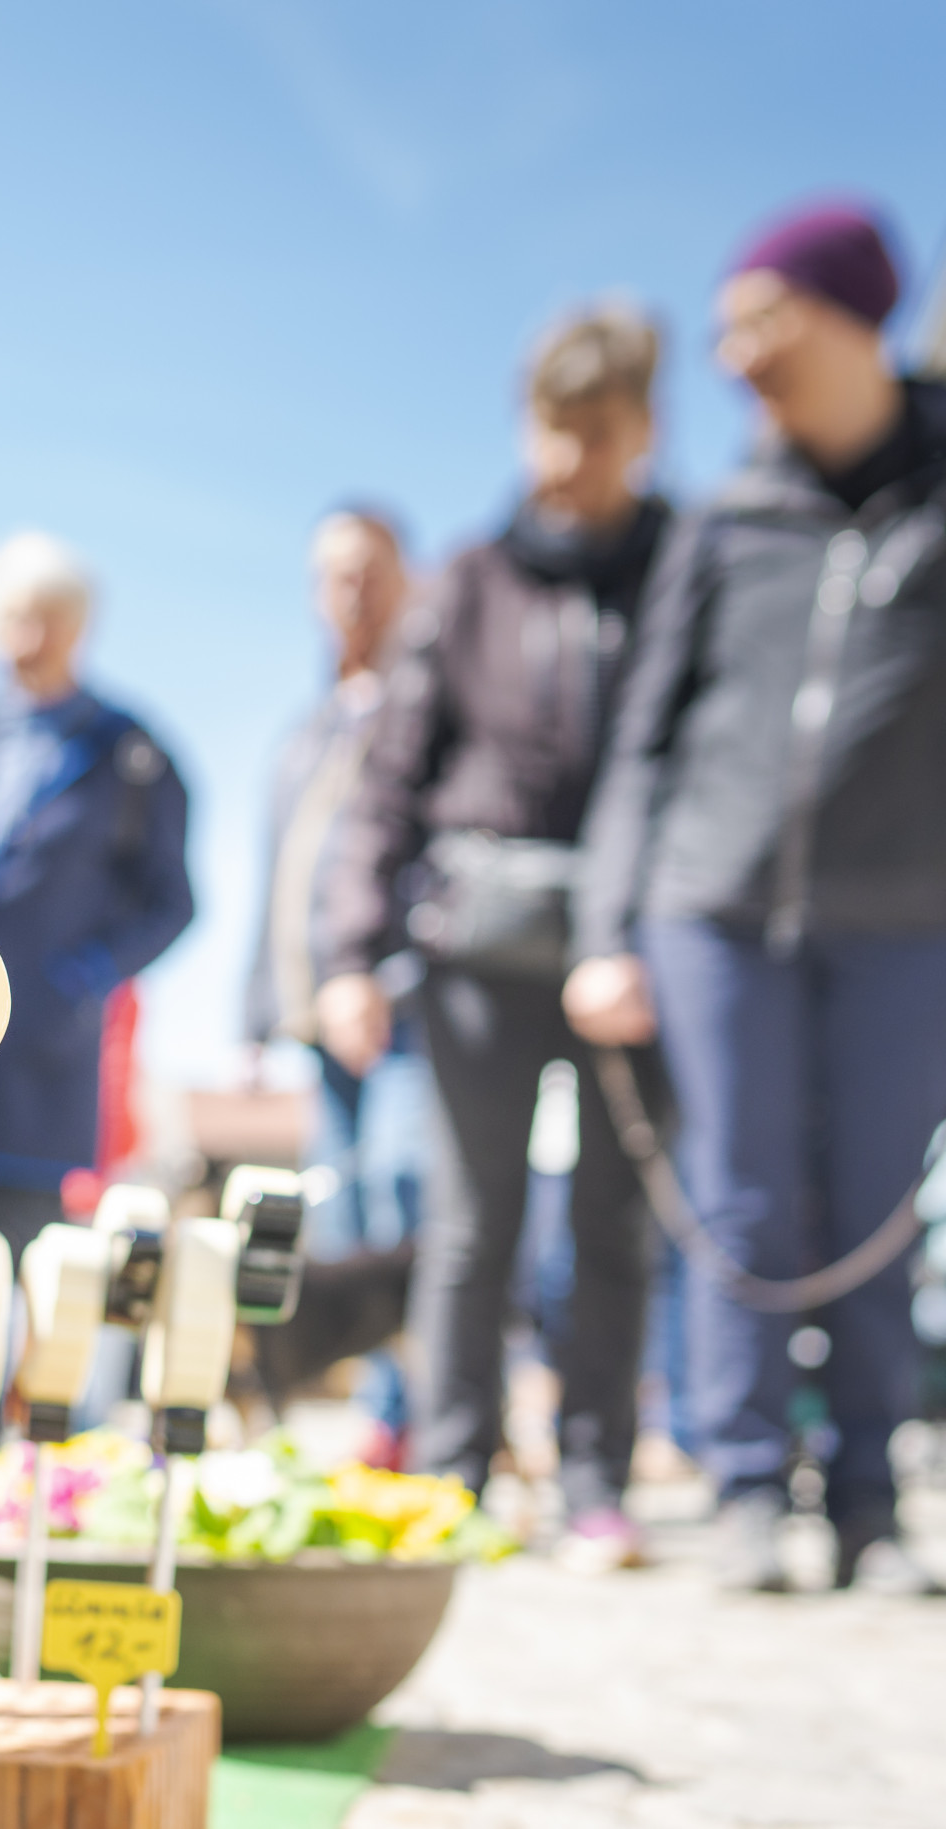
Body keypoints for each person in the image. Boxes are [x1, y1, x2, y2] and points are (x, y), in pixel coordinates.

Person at [569, 204, 946, 1596]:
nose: (728, 356)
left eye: (752, 318)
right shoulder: (729, 515)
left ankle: (866, 1500)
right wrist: (608, 929)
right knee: (743, 1191)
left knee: (871, 1207)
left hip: (908, 916)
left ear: (845, 310)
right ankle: (742, 1483)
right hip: (713, 906)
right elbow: (646, 742)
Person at [317, 304, 673, 1571]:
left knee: (614, 1223)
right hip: (476, 950)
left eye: (595, 432)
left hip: (634, 948)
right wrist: (349, 952)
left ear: (644, 428)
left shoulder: (677, 568)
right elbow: (390, 779)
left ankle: (594, 1477)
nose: (566, 460)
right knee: (472, 1222)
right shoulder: (468, 579)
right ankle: (457, 1473)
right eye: (548, 429)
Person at [0, 531, 194, 1257]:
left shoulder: (127, 753)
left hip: (45, 1079)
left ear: (79, 625)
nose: (27, 635)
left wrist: (82, 980)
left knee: (23, 1293)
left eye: (46, 614)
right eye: (14, 615)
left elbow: (173, 901)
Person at [245, 507, 427, 1453]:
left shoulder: (428, 699)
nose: (351, 591)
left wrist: (385, 972)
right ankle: (385, 1418)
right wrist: (257, 1015)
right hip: (314, 1010)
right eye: (333, 575)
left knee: (411, 1192)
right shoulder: (306, 732)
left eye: (371, 571)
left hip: (404, 999)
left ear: (409, 580)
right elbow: (276, 879)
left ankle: (429, 1414)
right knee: (347, 1206)